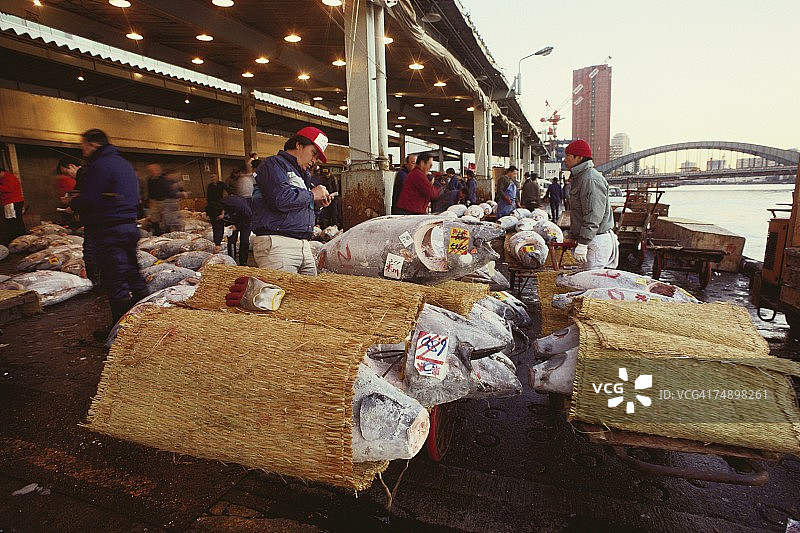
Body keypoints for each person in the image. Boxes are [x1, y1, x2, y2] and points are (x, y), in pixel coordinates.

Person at [67, 129, 147, 338]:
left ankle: (119, 330)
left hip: (109, 228)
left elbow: (90, 199)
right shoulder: (124, 164)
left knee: (114, 277)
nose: (83, 150)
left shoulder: (98, 166)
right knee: (132, 271)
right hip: (129, 226)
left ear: (93, 145)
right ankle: (148, 318)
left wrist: (73, 202)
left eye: (84, 145)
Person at [251, 126, 332, 274]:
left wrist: (316, 205)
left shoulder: (303, 175)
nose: (314, 161)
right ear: (299, 145)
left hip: (302, 244)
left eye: (317, 158)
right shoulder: (274, 164)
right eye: (313, 153)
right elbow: (279, 199)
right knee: (281, 294)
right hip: (278, 243)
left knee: (310, 295)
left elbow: (296, 207)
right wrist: (312, 195)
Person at [563, 139, 618, 270]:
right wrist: (572, 236)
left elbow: (593, 215)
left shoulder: (590, 179)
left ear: (579, 158)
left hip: (596, 241)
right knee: (583, 283)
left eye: (568, 156)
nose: (565, 160)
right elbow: (579, 213)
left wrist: (583, 243)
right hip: (591, 240)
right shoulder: (580, 177)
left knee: (592, 286)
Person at [0, 165, 25, 246]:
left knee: (15, 222)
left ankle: (20, 239)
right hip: (10, 202)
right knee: (12, 221)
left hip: (13, 202)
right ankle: (17, 239)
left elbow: (9, 189)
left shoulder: (9, 177)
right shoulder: (4, 179)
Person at [205, 174, 229, 246]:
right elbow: (208, 198)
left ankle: (219, 240)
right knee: (215, 226)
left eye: (214, 177)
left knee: (220, 224)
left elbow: (228, 191)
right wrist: (208, 213)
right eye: (211, 177)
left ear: (217, 177)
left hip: (220, 205)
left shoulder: (222, 184)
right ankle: (217, 242)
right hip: (212, 207)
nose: (212, 179)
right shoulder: (210, 186)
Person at [55, 158, 80, 227]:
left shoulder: (85, 176)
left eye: (66, 173)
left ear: (72, 166)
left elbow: (87, 195)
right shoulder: (79, 178)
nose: (68, 176)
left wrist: (73, 206)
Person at [146, 163, 167, 235]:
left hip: (164, 201)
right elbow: (149, 190)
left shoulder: (164, 178)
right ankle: (157, 232)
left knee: (165, 218)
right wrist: (149, 200)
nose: (152, 172)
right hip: (154, 201)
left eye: (153, 170)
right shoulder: (150, 180)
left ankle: (166, 232)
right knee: (155, 218)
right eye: (150, 171)